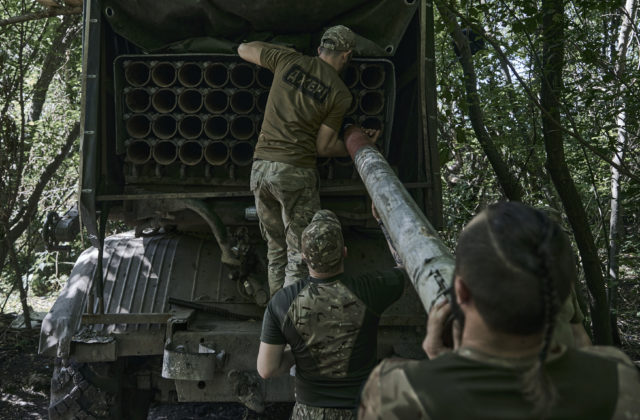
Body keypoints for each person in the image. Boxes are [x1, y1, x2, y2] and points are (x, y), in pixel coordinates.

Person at [359, 202, 640, 419]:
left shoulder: (395, 392)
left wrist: (439, 365)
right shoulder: (618, 378)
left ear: (461, 292)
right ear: (564, 294)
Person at [237, 26, 379, 296]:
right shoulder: (339, 93)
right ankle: (290, 326)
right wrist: (364, 144)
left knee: (275, 250)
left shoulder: (288, 60)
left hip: (260, 170)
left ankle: (275, 322)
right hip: (294, 174)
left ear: (319, 50)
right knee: (299, 255)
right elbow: (324, 146)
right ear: (346, 56)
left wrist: (280, 49)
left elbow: (243, 49)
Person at [257, 209, 405, 419]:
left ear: (304, 257)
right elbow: (405, 265)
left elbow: (266, 369)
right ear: (344, 252)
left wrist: (299, 354)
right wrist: (382, 221)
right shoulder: (371, 290)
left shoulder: (281, 303)